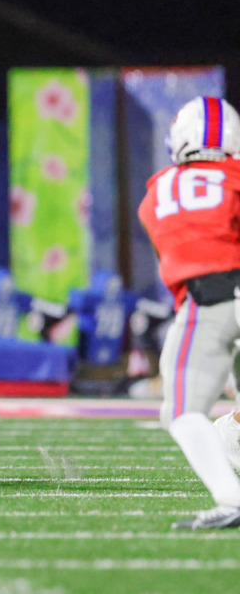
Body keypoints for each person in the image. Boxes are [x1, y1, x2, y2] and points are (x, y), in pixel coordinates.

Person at [137, 95, 240, 529]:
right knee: (229, 429)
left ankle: (233, 500)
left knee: (181, 411)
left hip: (212, 299)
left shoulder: (158, 190)